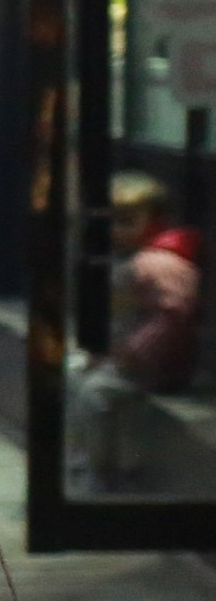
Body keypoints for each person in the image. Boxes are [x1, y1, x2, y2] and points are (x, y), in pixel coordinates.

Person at [72, 172, 203, 489]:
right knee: (73, 377)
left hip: (151, 365)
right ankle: (88, 455)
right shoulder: (122, 258)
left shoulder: (159, 264)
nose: (115, 230)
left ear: (155, 222)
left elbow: (171, 316)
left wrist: (134, 352)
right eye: (111, 222)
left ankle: (104, 468)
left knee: (95, 394)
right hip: (120, 357)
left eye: (127, 222)